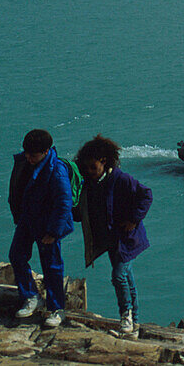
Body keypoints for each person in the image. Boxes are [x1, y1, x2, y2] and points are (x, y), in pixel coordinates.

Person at [74, 135, 152, 337]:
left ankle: (125, 316)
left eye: (94, 167)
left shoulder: (121, 179)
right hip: (110, 240)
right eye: (87, 168)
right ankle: (134, 323)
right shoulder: (90, 184)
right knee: (127, 278)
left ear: (104, 161)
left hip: (127, 239)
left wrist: (134, 219)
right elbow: (85, 211)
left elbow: (146, 194)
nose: (90, 172)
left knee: (118, 276)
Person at [8, 129, 75, 328]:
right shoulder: (25, 161)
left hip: (47, 226)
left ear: (46, 151)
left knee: (52, 265)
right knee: (16, 255)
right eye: (27, 152)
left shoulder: (57, 170)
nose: (28, 157)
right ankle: (31, 296)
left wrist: (53, 232)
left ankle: (57, 309)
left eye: (33, 154)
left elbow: (64, 202)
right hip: (28, 219)